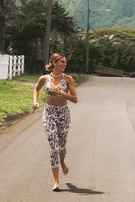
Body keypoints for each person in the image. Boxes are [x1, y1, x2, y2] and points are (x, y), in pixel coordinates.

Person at [32, 53, 77, 191]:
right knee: (54, 148)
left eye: (65, 62)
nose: (65, 64)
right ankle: (56, 181)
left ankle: (62, 160)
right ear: (54, 63)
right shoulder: (44, 78)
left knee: (62, 146)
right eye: (62, 62)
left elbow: (75, 99)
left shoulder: (68, 79)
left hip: (63, 115)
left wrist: (60, 92)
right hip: (49, 114)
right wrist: (35, 101)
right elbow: (36, 89)